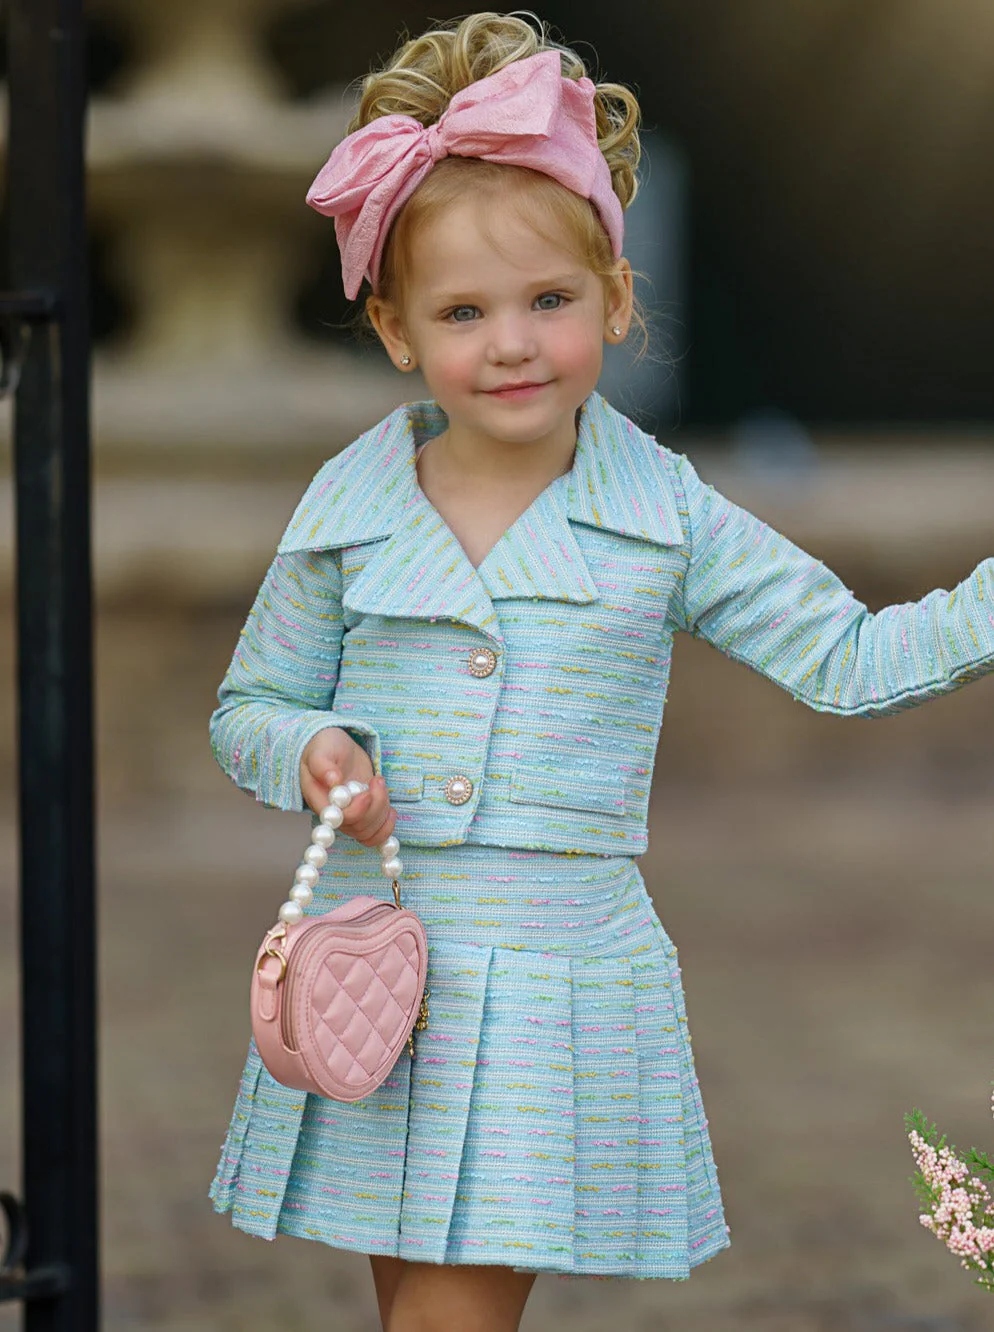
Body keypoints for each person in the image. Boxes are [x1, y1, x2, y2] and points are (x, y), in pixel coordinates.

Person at [207, 12, 994, 1331]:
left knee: (447, 1317)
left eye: (550, 301)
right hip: (378, 977)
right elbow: (249, 707)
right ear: (396, 331)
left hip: (549, 985)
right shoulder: (352, 503)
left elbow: (851, 658)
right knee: (415, 1310)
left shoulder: (662, 514)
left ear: (616, 299)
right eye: (463, 313)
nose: (511, 342)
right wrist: (308, 749)